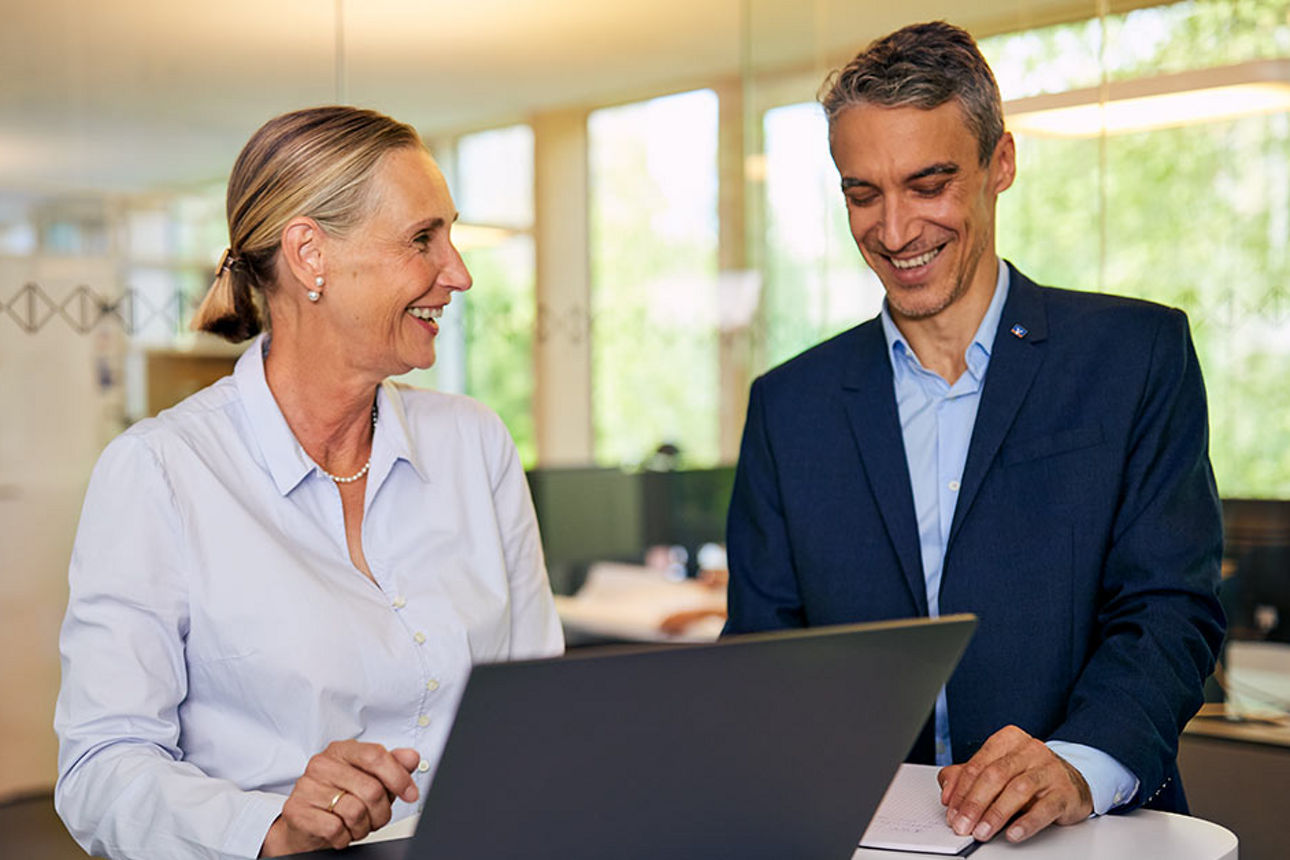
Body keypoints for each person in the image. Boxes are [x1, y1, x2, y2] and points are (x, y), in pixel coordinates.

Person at [723, 21, 1225, 845]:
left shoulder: (1135, 355)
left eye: (929, 183)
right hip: (870, 838)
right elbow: (760, 656)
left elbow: (1171, 608)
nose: (893, 230)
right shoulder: (790, 405)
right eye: (862, 193)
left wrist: (1079, 762)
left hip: (1096, 831)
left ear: (1001, 164)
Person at [54, 106, 564, 860]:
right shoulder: (161, 472)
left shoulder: (475, 444)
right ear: (309, 254)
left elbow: (541, 712)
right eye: (423, 238)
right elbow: (100, 770)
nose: (458, 272)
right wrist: (272, 828)